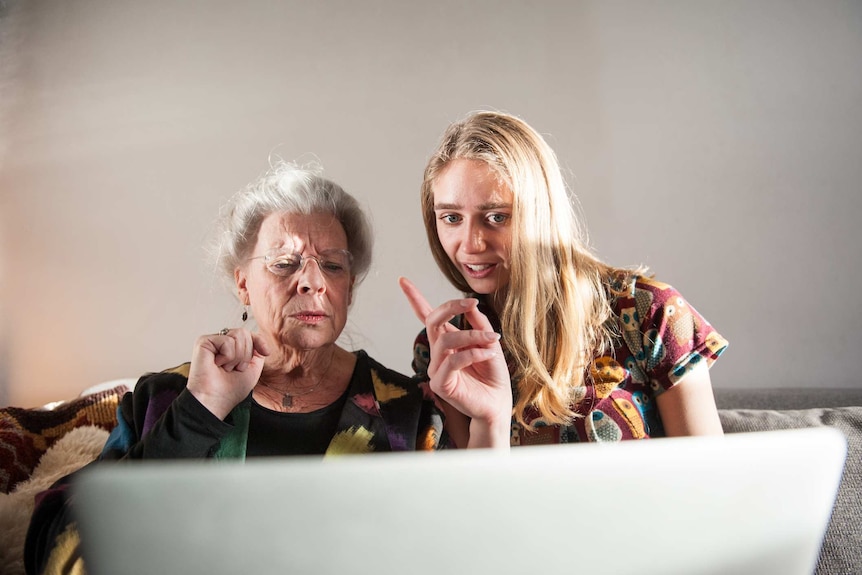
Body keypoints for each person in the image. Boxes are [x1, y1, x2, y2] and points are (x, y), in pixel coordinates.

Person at [25, 160, 464, 575]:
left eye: (333, 265)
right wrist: (199, 412)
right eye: (284, 263)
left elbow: (459, 549)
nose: (313, 281)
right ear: (243, 285)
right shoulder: (167, 398)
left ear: (348, 289)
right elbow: (56, 544)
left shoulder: (408, 411)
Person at [400, 110, 728, 448]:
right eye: (451, 217)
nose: (470, 243)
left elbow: (711, 481)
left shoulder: (648, 312)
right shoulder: (446, 345)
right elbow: (471, 497)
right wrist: (488, 420)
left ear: (541, 213)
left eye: (496, 216)